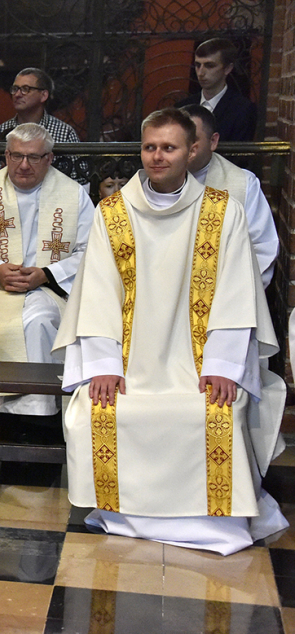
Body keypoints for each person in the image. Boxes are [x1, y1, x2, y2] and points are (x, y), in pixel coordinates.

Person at [54, 108, 287, 555]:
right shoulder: (112, 214)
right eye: (149, 147)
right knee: (104, 408)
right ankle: (122, 514)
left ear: (192, 151)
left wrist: (223, 366)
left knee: (212, 410)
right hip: (129, 363)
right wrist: (103, 364)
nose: (157, 156)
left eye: (168, 147)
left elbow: (236, 292)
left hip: (199, 363)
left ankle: (213, 523)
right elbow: (98, 292)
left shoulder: (224, 213)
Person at [0, 123, 92, 419]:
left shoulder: (73, 195)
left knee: (38, 321)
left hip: (47, 290)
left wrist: (46, 273)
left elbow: (89, 251)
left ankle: (36, 414)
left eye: (33, 157)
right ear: (6, 155)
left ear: (49, 158)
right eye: (16, 156)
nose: (23, 165)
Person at [181, 104, 277, 287]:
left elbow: (262, 248)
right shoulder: (154, 183)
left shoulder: (243, 184)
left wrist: (231, 293)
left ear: (213, 141)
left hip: (225, 293)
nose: (184, 147)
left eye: (192, 139)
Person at [0, 68, 82, 181]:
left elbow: (79, 177)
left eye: (25, 89)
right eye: (15, 89)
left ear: (43, 95)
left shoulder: (64, 132)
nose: (17, 94)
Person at [176, 38, 257, 142]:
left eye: (209, 66)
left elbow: (240, 150)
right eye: (197, 65)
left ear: (227, 69)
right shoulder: (181, 108)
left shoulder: (243, 109)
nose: (201, 73)